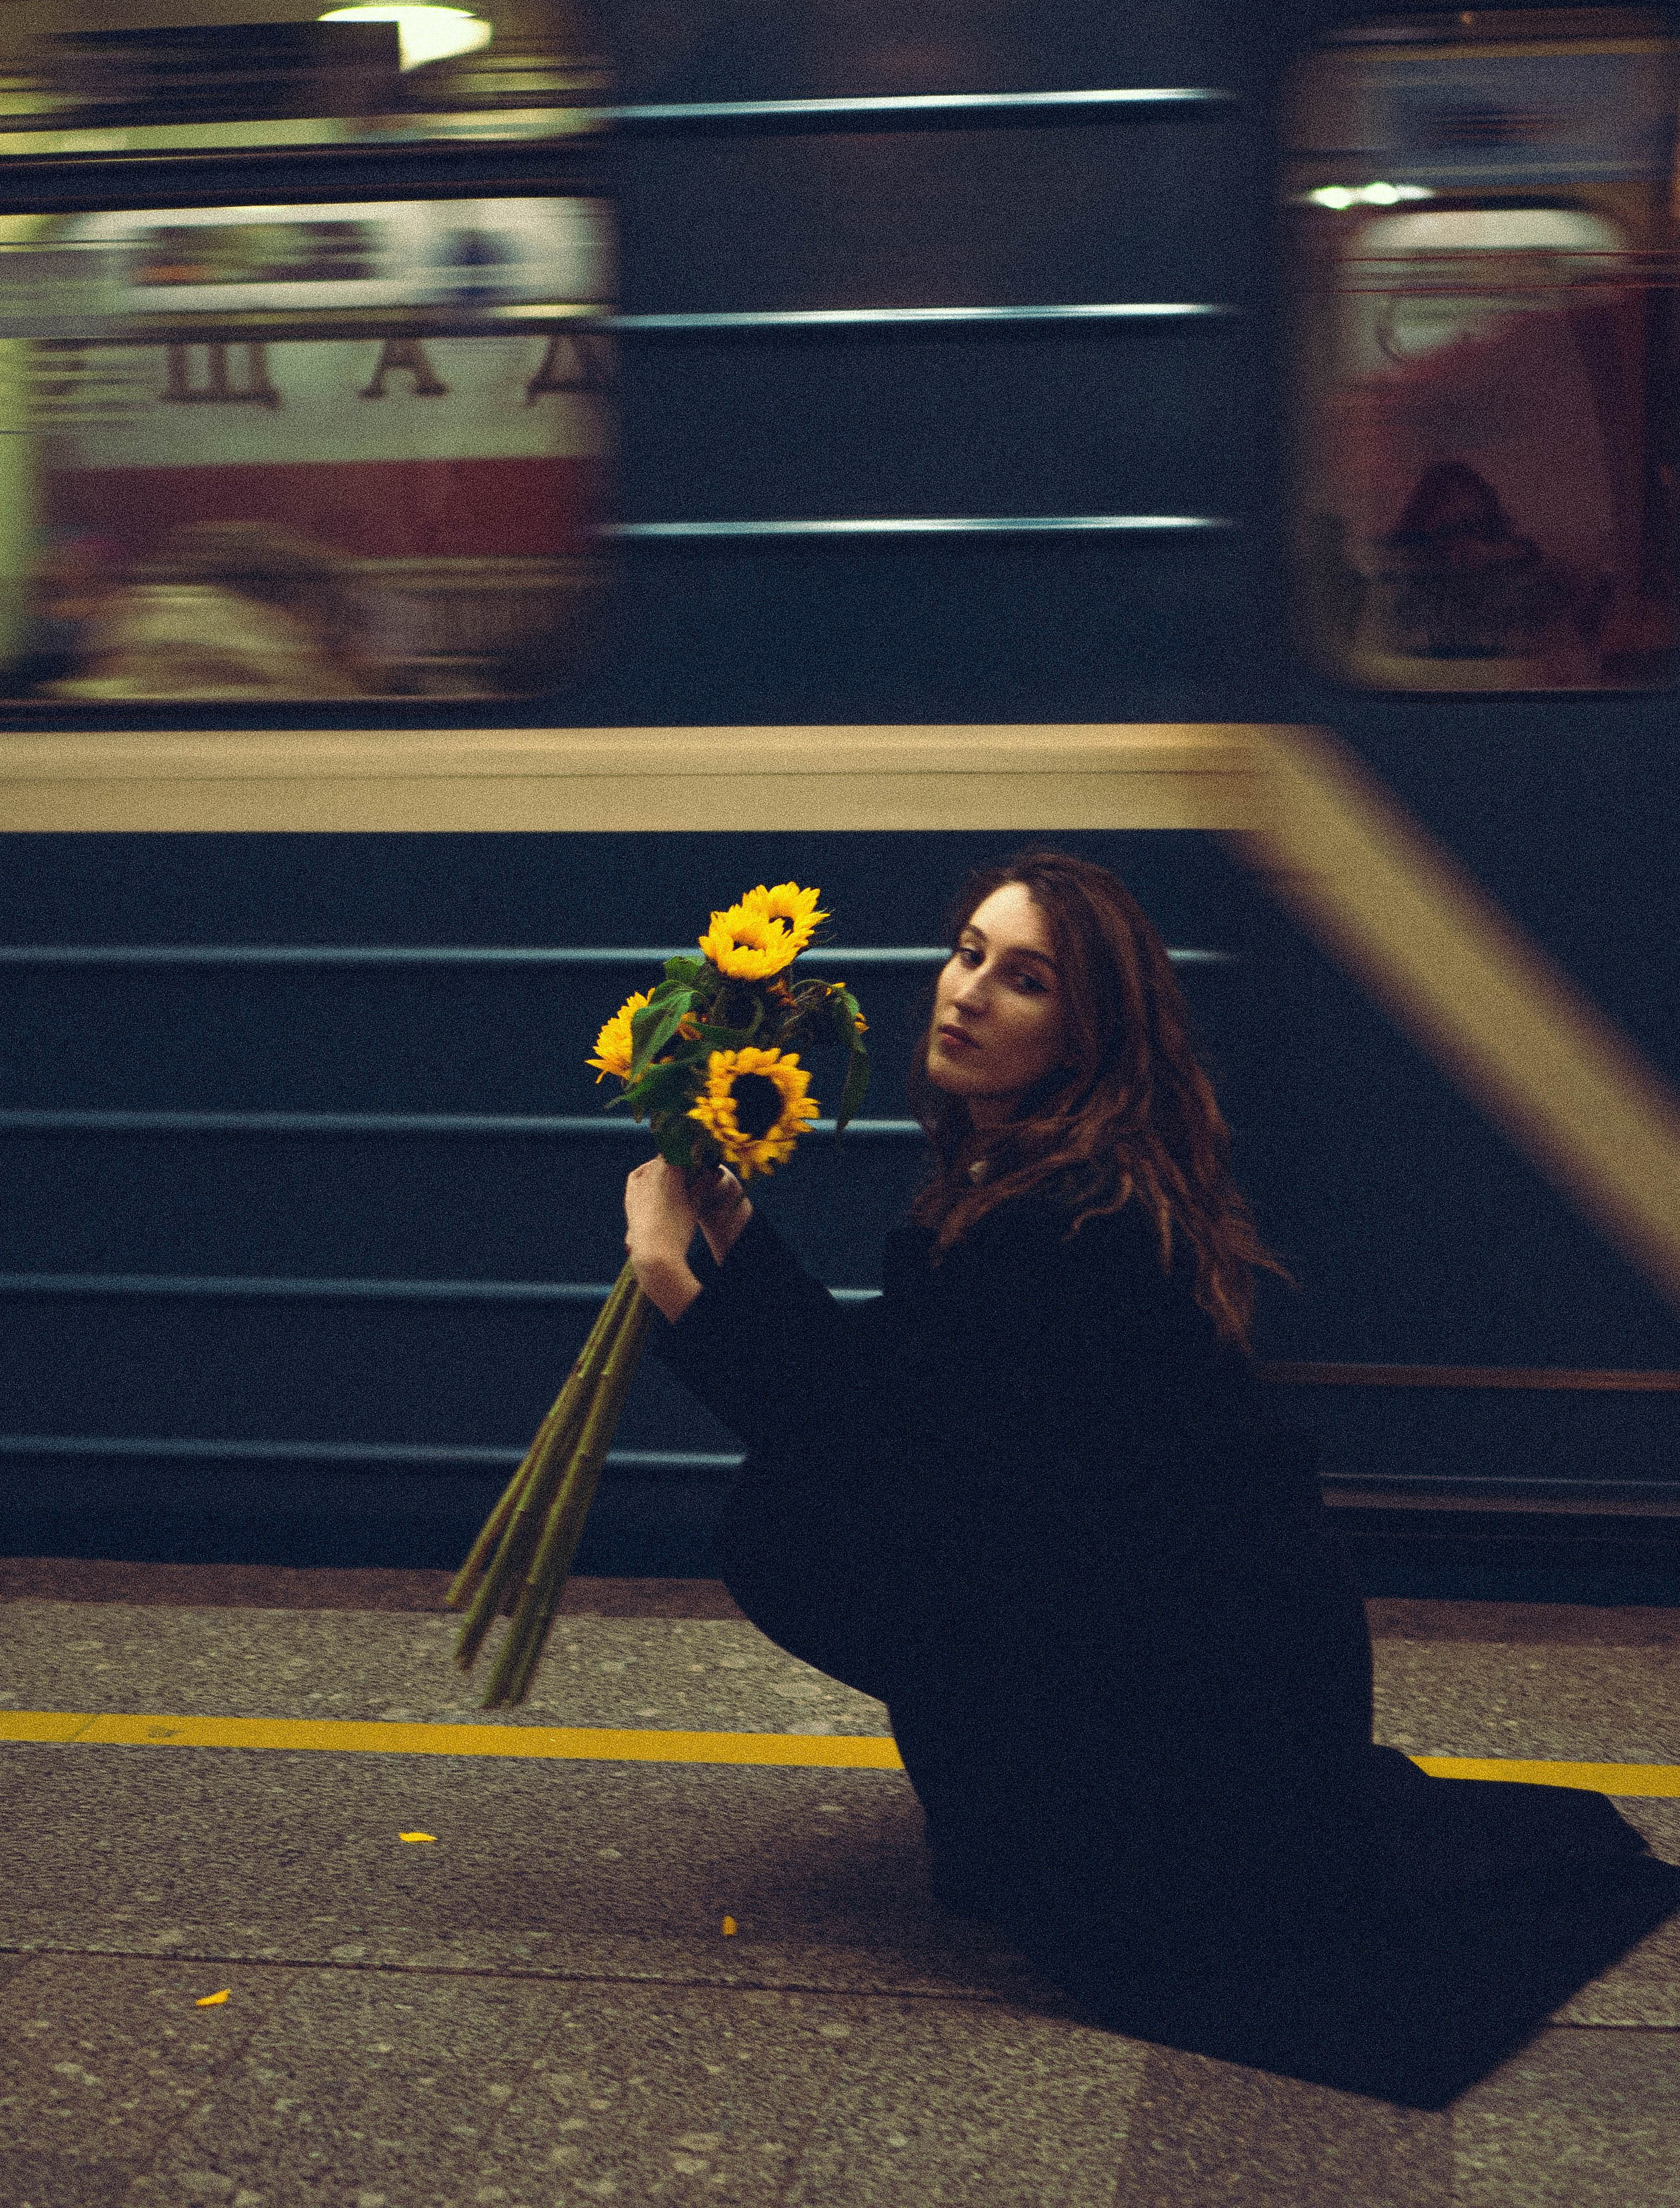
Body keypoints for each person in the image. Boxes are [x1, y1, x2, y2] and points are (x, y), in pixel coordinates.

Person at [623, 850, 1680, 2109]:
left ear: (1090, 1031)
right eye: (968, 955)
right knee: (811, 1509)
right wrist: (738, 1238)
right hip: (1183, 1654)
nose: (966, 995)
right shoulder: (1031, 1170)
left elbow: (882, 1449)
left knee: (798, 1519)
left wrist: (678, 1284)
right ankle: (1015, 1817)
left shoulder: (1068, 1223)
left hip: (1187, 1712)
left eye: (1025, 981)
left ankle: (1049, 1831)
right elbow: (901, 1395)